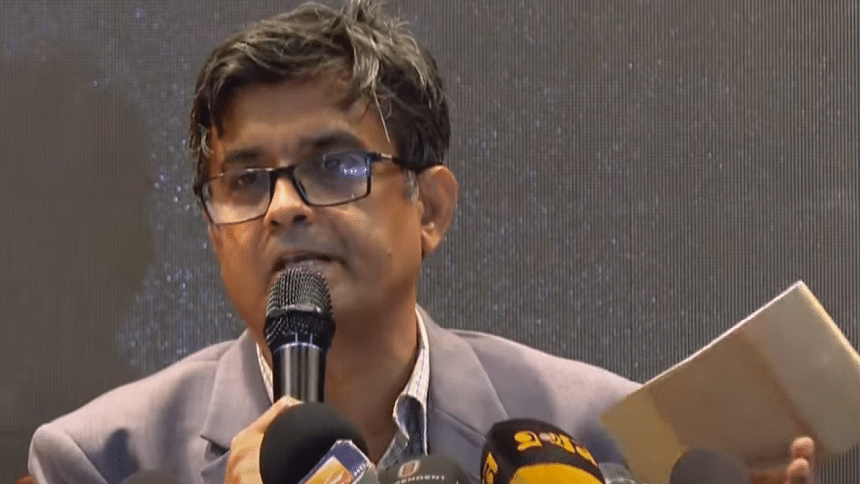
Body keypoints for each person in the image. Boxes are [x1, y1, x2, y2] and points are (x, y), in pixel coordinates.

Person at [28, 1, 817, 483]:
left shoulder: (594, 434)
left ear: (430, 208)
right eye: (245, 181)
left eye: (333, 166)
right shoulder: (96, 462)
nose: (283, 208)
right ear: (212, 230)